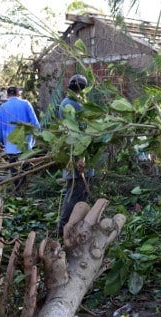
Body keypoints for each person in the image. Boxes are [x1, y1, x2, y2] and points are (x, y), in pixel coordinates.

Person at [57, 74, 94, 235]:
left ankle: (74, 228)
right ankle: (63, 229)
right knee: (74, 194)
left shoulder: (71, 102)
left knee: (79, 193)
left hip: (77, 154)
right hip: (76, 155)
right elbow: (74, 132)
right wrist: (80, 158)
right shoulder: (71, 104)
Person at [0, 87, 40, 192]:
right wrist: (38, 136)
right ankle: (25, 192)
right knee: (25, 170)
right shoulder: (26, 104)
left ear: (7, 95)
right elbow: (36, 124)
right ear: (18, 94)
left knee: (15, 172)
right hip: (25, 145)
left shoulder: (2, 108)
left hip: (11, 146)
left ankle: (18, 192)